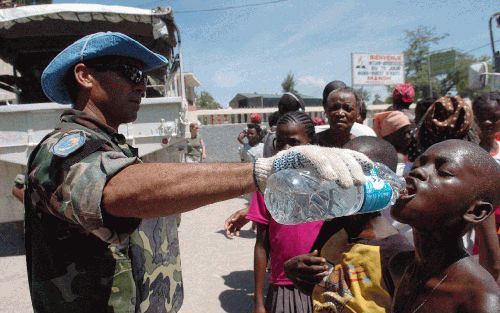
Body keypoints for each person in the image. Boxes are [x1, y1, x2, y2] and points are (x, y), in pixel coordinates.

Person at [25, 32, 373, 313]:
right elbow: (116, 191)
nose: (141, 86)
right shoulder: (63, 148)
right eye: (130, 73)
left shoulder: (111, 147)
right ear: (85, 76)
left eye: (145, 77)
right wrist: (264, 171)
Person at [284, 136, 414, 313]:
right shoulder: (334, 228)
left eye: (356, 173)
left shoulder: (395, 252)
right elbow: (322, 287)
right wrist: (294, 271)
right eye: (340, 169)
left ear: (384, 184)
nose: (343, 181)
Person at [390, 140, 500, 313]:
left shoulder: (479, 300)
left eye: (443, 172)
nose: (418, 172)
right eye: (416, 166)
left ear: (476, 211)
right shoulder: (400, 266)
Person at [249, 111, 320, 313]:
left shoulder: (326, 183)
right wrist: (259, 302)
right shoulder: (267, 187)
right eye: (280, 142)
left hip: (322, 284)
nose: (285, 149)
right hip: (283, 285)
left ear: (311, 143)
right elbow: (261, 245)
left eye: (294, 142)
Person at [471, 91, 500, 282]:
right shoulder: (468, 153)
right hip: (477, 230)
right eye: (482, 117)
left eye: (494, 117)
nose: (488, 122)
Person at [372, 110, 412, 176]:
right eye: (403, 133)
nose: (408, 136)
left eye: (409, 132)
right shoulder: (397, 158)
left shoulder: (404, 154)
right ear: (388, 136)